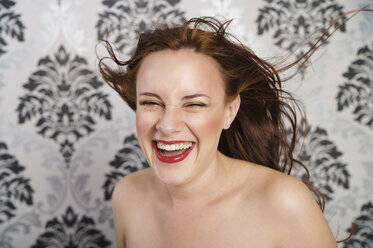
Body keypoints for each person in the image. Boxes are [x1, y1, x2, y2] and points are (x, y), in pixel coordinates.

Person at [99, 17, 340, 248]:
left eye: (194, 104)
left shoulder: (285, 202)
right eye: (151, 102)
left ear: (229, 111)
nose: (167, 125)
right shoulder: (128, 195)